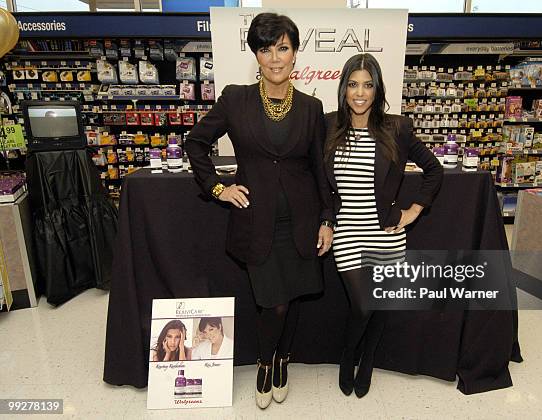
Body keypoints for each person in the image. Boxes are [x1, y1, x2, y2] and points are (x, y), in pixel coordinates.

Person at [184, 13, 334, 409]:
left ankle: (283, 359)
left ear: (295, 52)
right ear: (256, 55)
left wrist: (326, 220)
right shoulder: (236, 99)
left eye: (282, 48)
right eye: (265, 49)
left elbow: (319, 169)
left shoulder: (311, 107)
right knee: (275, 301)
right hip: (257, 223)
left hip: (301, 221)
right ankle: (266, 361)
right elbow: (196, 144)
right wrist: (219, 187)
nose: (274, 58)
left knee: (296, 295)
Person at [324, 53, 443, 398]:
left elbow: (433, 170)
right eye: (353, 84)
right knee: (363, 304)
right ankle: (349, 356)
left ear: (377, 90)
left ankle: (369, 359)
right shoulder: (328, 125)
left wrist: (414, 210)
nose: (360, 93)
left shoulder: (397, 128)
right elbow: (318, 180)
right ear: (344, 88)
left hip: (386, 232)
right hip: (346, 231)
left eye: (368, 85)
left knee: (379, 304)